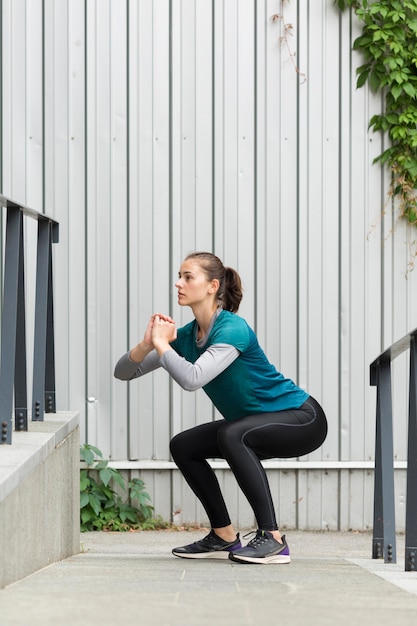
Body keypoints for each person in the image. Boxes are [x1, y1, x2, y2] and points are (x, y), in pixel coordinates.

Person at [114, 251, 328, 564]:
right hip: (254, 423)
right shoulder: (186, 336)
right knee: (184, 445)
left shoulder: (232, 329)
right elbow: (124, 372)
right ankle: (223, 534)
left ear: (213, 286)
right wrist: (147, 344)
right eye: (179, 276)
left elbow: (192, 378)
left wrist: (162, 346)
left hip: (302, 419)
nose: (179, 283)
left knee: (232, 434)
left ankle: (273, 539)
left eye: (188, 277)